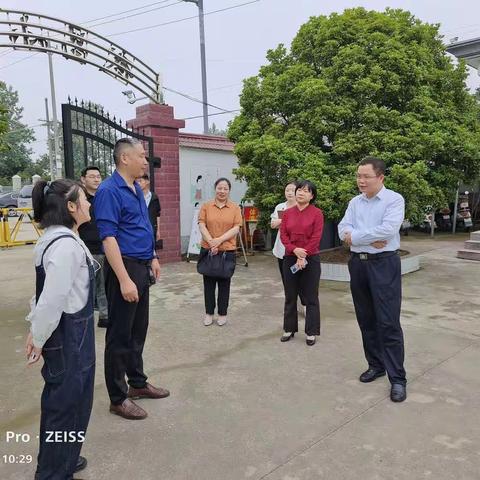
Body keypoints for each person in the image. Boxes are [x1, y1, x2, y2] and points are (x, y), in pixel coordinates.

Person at [25, 179, 95, 479]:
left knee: (70, 405)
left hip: (74, 334)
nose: (89, 204)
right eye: (84, 199)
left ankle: (63, 457)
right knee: (65, 409)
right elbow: (51, 299)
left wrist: (35, 327)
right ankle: (54, 471)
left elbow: (43, 295)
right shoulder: (65, 246)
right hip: (69, 339)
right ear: (71, 207)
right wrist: (38, 336)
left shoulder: (63, 238)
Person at [94, 138, 168, 421]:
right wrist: (124, 279)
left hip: (141, 266)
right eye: (141, 156)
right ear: (124, 158)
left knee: (138, 330)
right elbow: (109, 237)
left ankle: (137, 383)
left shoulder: (136, 188)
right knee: (119, 335)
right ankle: (117, 397)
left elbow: (142, 226)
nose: (145, 161)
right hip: (123, 268)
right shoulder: (109, 191)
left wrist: (152, 257)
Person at [338, 156, 407, 403]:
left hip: (383, 264)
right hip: (358, 265)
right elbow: (341, 228)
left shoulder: (394, 200)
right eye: (358, 176)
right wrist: (363, 239)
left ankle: (398, 378)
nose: (361, 181)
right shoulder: (354, 203)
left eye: (366, 176)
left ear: (380, 177)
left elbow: (387, 231)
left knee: (388, 321)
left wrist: (354, 236)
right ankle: (375, 365)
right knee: (366, 319)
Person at [280, 180, 324, 346]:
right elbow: (283, 235)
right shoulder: (288, 213)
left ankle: (311, 332)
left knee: (311, 296)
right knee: (290, 295)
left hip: (310, 259)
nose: (301, 193)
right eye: (299, 190)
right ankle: (289, 328)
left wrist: (303, 254)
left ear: (312, 196)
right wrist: (295, 251)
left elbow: (316, 237)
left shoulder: (317, 213)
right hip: (290, 257)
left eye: (306, 191)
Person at [198, 177, 242, 327]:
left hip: (226, 251)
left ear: (229, 190)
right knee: (208, 283)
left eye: (225, 188)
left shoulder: (235, 208)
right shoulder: (206, 206)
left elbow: (236, 228)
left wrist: (219, 240)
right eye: (219, 188)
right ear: (215, 188)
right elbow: (202, 224)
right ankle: (209, 313)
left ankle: (222, 313)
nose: (222, 191)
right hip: (208, 250)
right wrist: (211, 241)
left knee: (225, 283)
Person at [79, 165, 109, 328]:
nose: (96, 179)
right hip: (87, 249)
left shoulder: (104, 196)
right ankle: (87, 317)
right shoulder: (80, 200)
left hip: (105, 247)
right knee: (88, 285)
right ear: (83, 179)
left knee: (104, 284)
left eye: (98, 176)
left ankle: (104, 316)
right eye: (92, 176)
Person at [137, 172, 162, 249]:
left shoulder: (154, 197)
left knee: (151, 252)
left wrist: (158, 230)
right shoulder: (135, 197)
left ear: (147, 181)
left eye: (140, 181)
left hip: (151, 230)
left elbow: (157, 215)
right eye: (136, 181)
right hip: (139, 230)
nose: (138, 183)